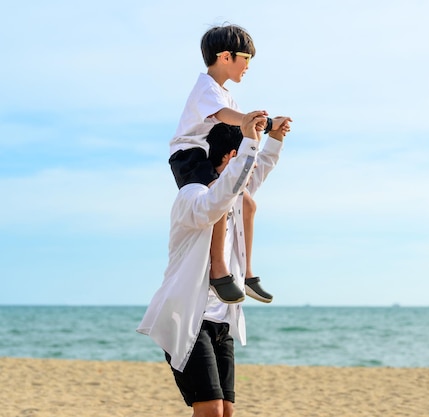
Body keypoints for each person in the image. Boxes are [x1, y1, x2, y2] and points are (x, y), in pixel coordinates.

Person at [138, 111, 291, 417]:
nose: (254, 168)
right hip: (188, 319)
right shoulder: (193, 196)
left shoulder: (236, 195)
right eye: (249, 157)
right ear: (234, 156)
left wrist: (275, 138)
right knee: (210, 410)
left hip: (221, 322)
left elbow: (259, 171)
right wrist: (251, 141)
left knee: (227, 411)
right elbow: (216, 202)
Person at [168, 23, 290, 304]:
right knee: (220, 199)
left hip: (208, 153)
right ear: (226, 57)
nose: (248, 66)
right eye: (246, 59)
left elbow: (235, 123)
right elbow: (225, 116)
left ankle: (247, 274)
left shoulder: (224, 92)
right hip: (190, 156)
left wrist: (268, 130)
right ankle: (218, 269)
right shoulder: (205, 88)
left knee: (247, 202)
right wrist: (259, 122)